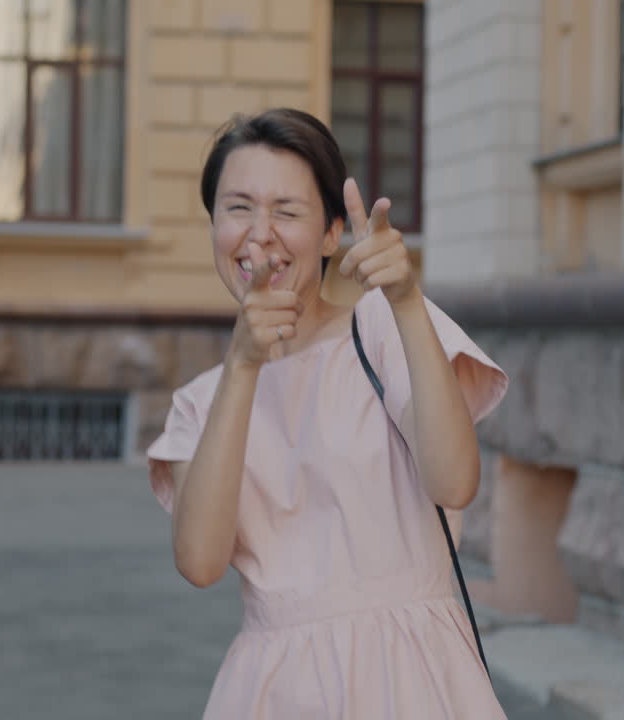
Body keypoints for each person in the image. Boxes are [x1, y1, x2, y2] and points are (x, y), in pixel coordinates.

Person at [146, 107, 511, 719]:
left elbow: (455, 482)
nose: (259, 233)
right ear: (213, 225)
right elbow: (201, 562)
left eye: (286, 211)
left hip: (410, 675)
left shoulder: (385, 329)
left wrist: (407, 300)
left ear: (330, 233)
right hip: (273, 688)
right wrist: (243, 366)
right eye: (238, 207)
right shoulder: (203, 400)